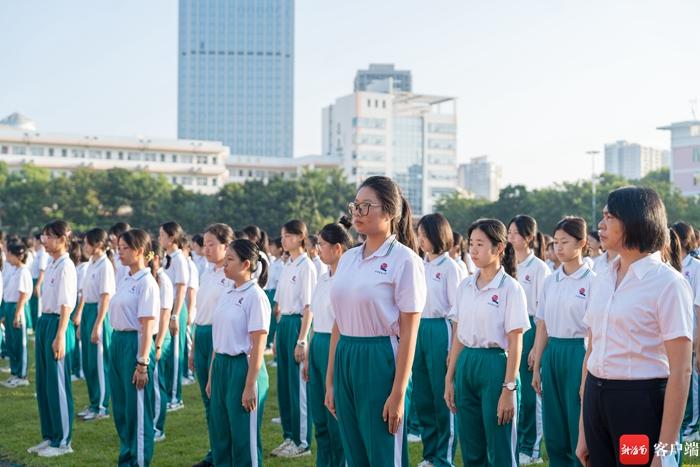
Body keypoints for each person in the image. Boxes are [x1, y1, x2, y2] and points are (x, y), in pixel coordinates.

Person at [576, 186, 693, 467]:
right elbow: (593, 349)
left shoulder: (667, 284)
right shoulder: (601, 278)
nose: (600, 226)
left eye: (609, 217)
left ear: (634, 220)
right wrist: (583, 429)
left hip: (637, 404)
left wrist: (664, 450)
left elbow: (681, 370)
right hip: (596, 397)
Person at [326, 175, 426, 466]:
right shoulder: (348, 258)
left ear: (390, 212)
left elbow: (409, 332)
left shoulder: (405, 261)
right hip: (346, 354)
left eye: (366, 206)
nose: (357, 213)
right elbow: (338, 323)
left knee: (383, 454)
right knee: (355, 452)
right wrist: (331, 380)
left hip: (381, 358)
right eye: (355, 206)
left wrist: (397, 393)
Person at [444, 218, 529, 466]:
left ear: (499, 248)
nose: (473, 250)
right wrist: (450, 378)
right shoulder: (465, 285)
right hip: (466, 363)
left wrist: (508, 388)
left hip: (496, 366)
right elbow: (459, 335)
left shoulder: (510, 289)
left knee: (500, 446)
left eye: (480, 244)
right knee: (471, 447)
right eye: (471, 243)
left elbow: (516, 343)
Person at [531, 217, 595, 466]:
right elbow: (543, 324)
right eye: (556, 242)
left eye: (565, 242)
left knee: (576, 420)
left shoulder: (592, 281)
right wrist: (537, 365)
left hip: (579, 351)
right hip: (553, 352)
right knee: (554, 424)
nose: (558, 247)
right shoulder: (551, 280)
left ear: (581, 243)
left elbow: (595, 331)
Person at [207, 239, 270, 467]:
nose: (225, 264)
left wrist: (250, 384)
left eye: (230, 260)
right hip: (222, 366)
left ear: (245, 264)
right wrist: (213, 375)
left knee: (244, 438)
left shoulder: (255, 296)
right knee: (221, 436)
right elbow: (219, 338)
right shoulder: (228, 291)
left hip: (243, 368)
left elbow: (258, 344)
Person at [413, 213, 462, 467]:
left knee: (442, 394)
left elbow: (457, 313)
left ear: (437, 235)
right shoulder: (420, 264)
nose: (420, 239)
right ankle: (429, 453)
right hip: (419, 329)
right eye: (418, 235)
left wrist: (452, 349)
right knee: (423, 396)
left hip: (440, 330)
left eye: (424, 235)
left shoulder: (450, 267)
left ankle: (444, 457)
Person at [109, 229, 159, 467]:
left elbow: (147, 325)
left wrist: (142, 362)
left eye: (125, 248)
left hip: (134, 345)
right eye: (119, 247)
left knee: (137, 411)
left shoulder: (146, 283)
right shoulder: (125, 277)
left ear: (139, 251)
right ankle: (126, 457)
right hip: (117, 341)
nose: (120, 251)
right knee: (120, 408)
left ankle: (139, 461)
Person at [304, 221, 352, 467]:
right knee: (320, 418)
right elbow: (316, 318)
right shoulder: (323, 278)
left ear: (338, 248)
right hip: (319, 344)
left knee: (336, 416)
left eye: (322, 245)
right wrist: (310, 351)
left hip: (338, 345)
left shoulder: (347, 279)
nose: (317, 249)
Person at [28, 220, 78, 458]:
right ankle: (49, 436)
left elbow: (66, 304)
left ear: (62, 239)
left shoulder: (67, 266)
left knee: (58, 385)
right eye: (43, 235)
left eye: (48, 236)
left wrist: (60, 335)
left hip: (59, 323)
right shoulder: (52, 263)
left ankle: (63, 441)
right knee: (45, 384)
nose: (43, 240)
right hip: (46, 321)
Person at [271, 219, 317, 458]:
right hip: (286, 324)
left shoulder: (306, 266)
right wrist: (278, 336)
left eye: (288, 236)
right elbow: (280, 307)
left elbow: (309, 306)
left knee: (298, 386)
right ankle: (289, 436)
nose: (283, 240)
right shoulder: (288, 264)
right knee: (285, 385)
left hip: (299, 324)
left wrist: (302, 341)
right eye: (282, 236)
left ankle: (301, 442)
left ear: (300, 237)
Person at [507, 214, 550, 464]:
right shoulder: (509, 264)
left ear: (529, 238)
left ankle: (532, 449)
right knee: (513, 387)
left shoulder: (539, 268)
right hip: (512, 330)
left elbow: (541, 313)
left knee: (531, 389)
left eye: (515, 233)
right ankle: (519, 442)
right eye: (509, 232)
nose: (510, 237)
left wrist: (535, 346)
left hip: (531, 328)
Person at [190, 223, 234, 467]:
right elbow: (201, 312)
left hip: (220, 339)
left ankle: (224, 454)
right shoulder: (206, 273)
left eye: (211, 244)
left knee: (218, 400)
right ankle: (215, 451)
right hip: (203, 335)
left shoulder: (229, 276)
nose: (206, 249)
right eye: (204, 244)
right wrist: (194, 346)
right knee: (208, 402)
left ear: (225, 246)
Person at [75, 228, 116, 421]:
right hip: (89, 311)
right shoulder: (91, 263)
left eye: (87, 243)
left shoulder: (105, 265)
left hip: (100, 312)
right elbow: (85, 293)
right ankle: (93, 403)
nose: (84, 246)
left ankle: (101, 406)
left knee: (100, 363)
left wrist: (98, 324)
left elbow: (105, 296)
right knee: (89, 363)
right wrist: (82, 317)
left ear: (98, 244)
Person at [671, 221, 700, 442]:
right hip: (674, 334)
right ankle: (684, 422)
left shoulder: (695, 266)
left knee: (691, 382)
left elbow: (698, 307)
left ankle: (693, 425)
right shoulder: (672, 265)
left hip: (692, 333)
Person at [158, 221, 190, 411]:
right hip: (165, 308)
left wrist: (175, 315)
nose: (159, 238)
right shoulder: (165, 257)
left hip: (175, 310)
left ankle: (175, 397)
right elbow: (149, 256)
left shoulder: (179, 259)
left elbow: (182, 288)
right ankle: (169, 393)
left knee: (176, 354)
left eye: (162, 235)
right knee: (167, 354)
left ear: (171, 238)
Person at [150, 242, 174, 442]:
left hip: (160, 335)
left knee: (157, 383)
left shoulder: (163, 280)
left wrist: (158, 344)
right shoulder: (148, 278)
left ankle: (158, 427)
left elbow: (165, 314)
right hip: (149, 334)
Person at [1, 241, 33, 387]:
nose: (6, 256)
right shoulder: (13, 269)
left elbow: (23, 294)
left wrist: (17, 314)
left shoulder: (23, 271)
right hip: (9, 306)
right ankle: (14, 372)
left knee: (20, 343)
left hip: (17, 307)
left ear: (17, 256)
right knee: (11, 342)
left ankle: (22, 375)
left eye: (9, 254)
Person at [264, 236, 284, 351]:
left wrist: (278, 302)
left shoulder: (281, 264)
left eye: (273, 246)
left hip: (275, 292)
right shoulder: (273, 262)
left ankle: (271, 342)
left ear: (280, 249)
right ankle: (269, 342)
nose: (270, 248)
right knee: (269, 319)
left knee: (273, 319)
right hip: (269, 291)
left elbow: (279, 283)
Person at [29, 233, 49, 332]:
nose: (33, 243)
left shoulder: (43, 253)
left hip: (38, 281)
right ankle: (34, 328)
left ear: (38, 241)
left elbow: (42, 271)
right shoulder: (38, 253)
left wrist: (38, 285)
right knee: (33, 305)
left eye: (34, 241)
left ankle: (38, 328)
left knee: (38, 306)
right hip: (33, 281)